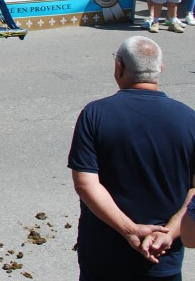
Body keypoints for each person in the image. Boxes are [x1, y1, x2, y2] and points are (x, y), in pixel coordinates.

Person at [68, 36, 195, 280]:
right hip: (162, 259)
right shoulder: (189, 119)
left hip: (103, 258)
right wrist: (169, 232)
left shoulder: (95, 114)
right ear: (160, 69)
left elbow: (85, 183)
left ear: (119, 67)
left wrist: (130, 230)